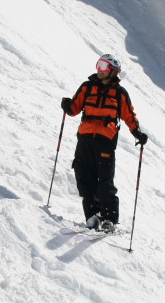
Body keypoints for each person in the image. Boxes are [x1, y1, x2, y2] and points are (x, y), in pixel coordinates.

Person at [61, 54, 148, 232]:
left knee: (104, 182)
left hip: (105, 142)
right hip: (85, 139)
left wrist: (137, 132)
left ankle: (109, 218)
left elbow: (128, 115)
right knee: (84, 177)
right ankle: (92, 216)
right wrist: (68, 106)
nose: (99, 70)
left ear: (113, 72)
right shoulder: (87, 87)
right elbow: (75, 109)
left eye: (103, 66)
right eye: (98, 65)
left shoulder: (119, 93)